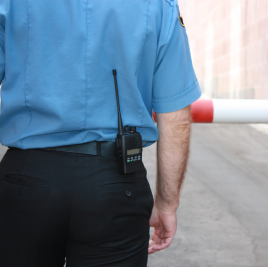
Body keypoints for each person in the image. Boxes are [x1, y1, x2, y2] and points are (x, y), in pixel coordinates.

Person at [0, 0, 201, 266]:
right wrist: (167, 202)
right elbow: (175, 118)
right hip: (116, 183)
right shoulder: (159, 6)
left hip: (27, 177)